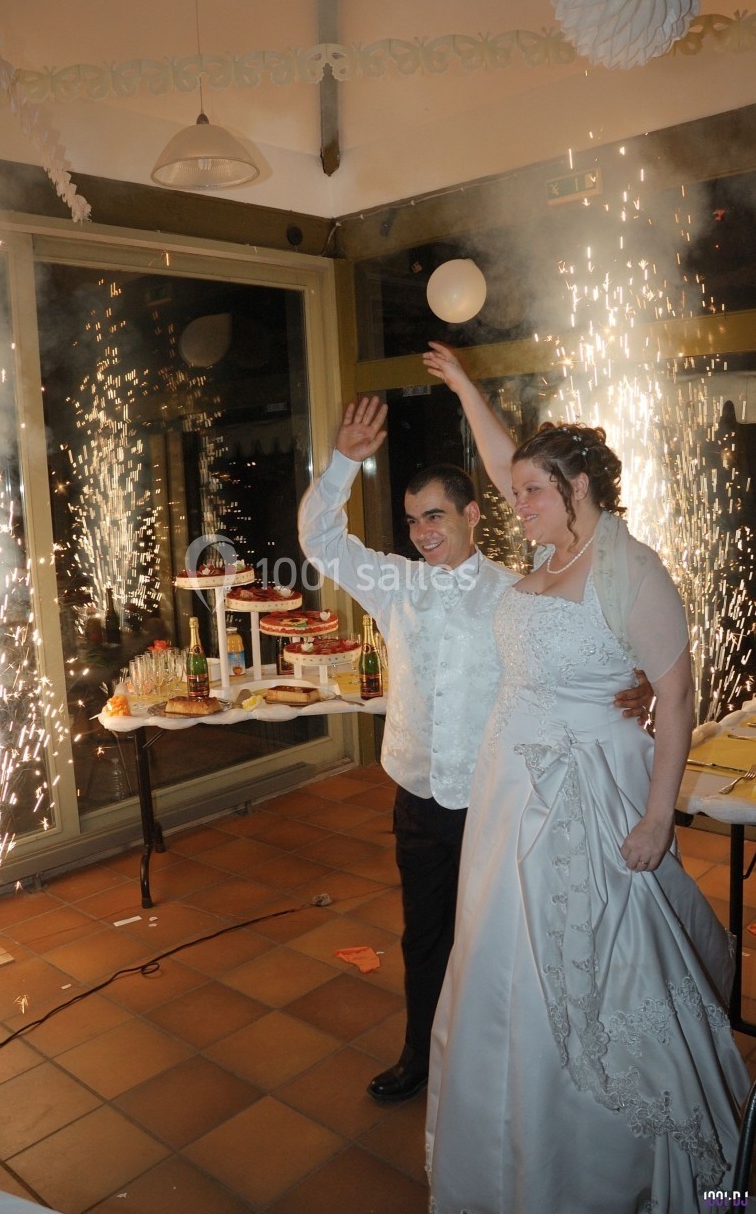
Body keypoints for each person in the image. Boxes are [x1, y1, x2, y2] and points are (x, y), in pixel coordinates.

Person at [422, 341, 749, 1213]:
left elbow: (676, 703)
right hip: (508, 788)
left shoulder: (629, 570)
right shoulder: (548, 549)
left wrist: (655, 824)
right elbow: (502, 462)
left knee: (589, 974)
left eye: (533, 491)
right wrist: (462, 384)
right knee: (495, 959)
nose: (514, 502)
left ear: (581, 490)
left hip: (586, 793)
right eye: (518, 489)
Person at [298, 395, 652, 1106]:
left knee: (496, 944)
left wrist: (635, 678)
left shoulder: (511, 594)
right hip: (417, 797)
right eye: (411, 519)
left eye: (435, 515)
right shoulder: (395, 584)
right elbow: (320, 541)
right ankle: (420, 1056)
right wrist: (342, 464)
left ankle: (496, 1069)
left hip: (495, 799)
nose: (423, 531)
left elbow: (581, 640)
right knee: (422, 936)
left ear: (471, 516)